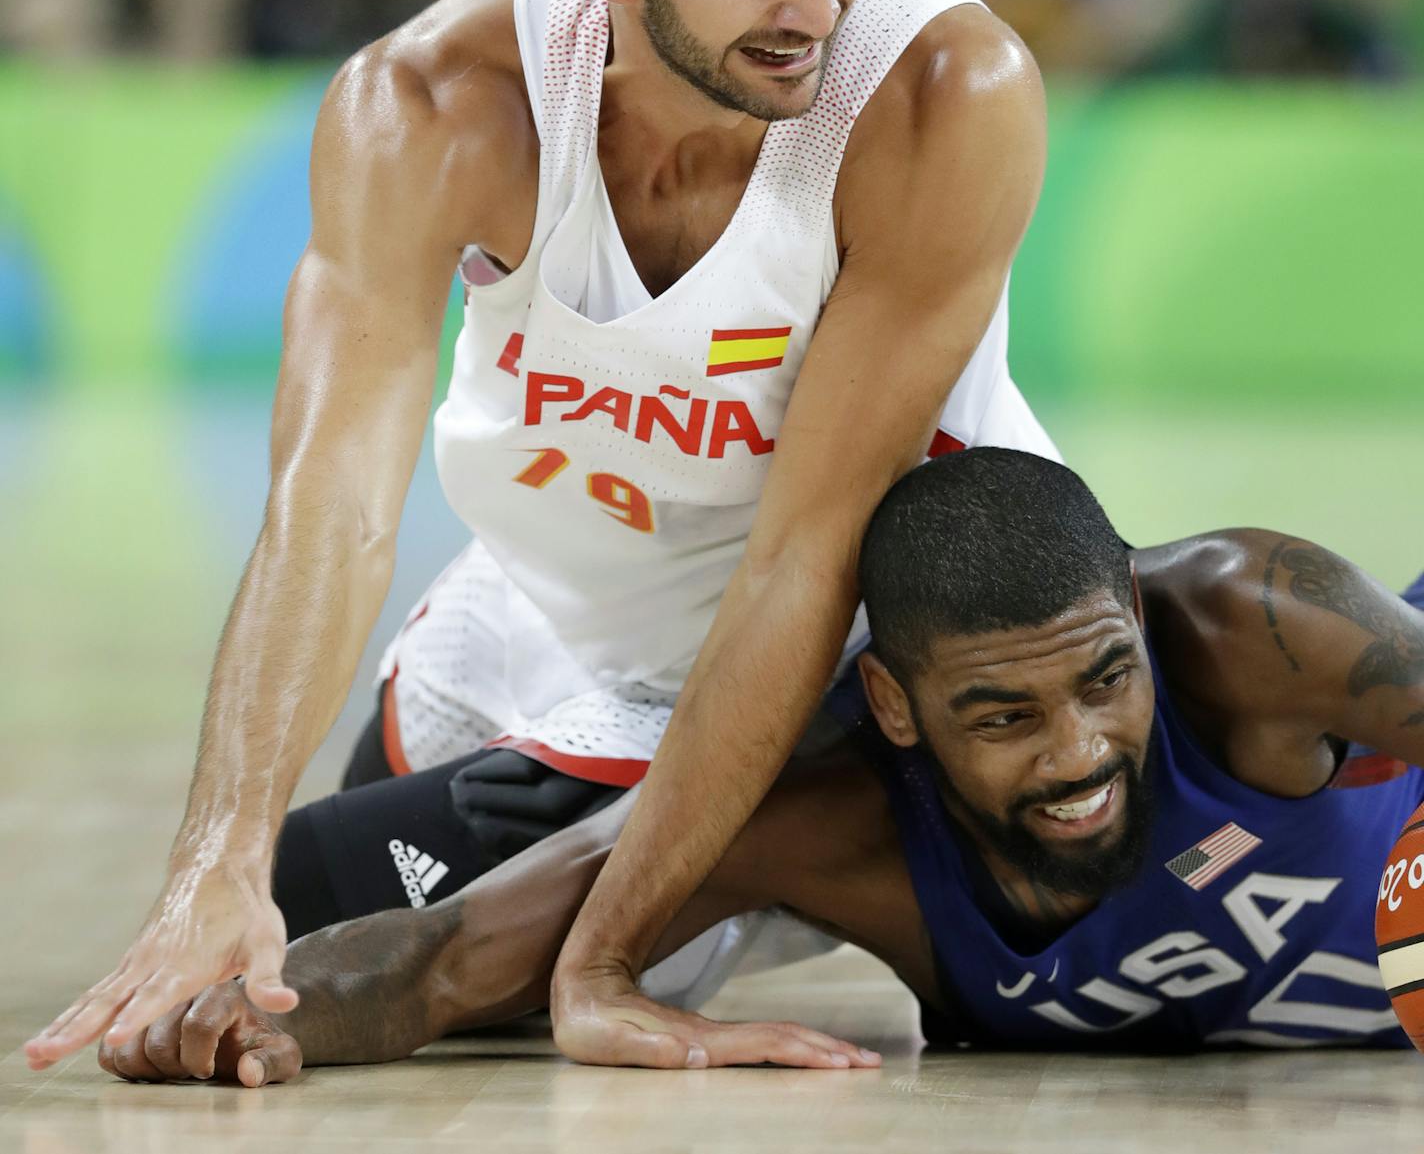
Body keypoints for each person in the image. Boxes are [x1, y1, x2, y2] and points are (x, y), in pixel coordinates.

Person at [27, 0, 1053, 1072]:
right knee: (249, 912)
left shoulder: (940, 96)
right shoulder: (430, 105)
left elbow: (803, 562)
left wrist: (608, 960)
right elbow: (328, 505)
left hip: (795, 667)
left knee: (331, 961)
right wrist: (219, 847)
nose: (814, 3)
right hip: (530, 598)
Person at [93, 448, 1424, 1083]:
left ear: (1138, 626)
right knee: (336, 868)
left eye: (1101, 681)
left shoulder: (1255, 626)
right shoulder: (821, 820)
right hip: (646, 649)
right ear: (898, 710)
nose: (1078, 752)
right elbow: (447, 957)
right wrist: (246, 1018)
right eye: (1003, 717)